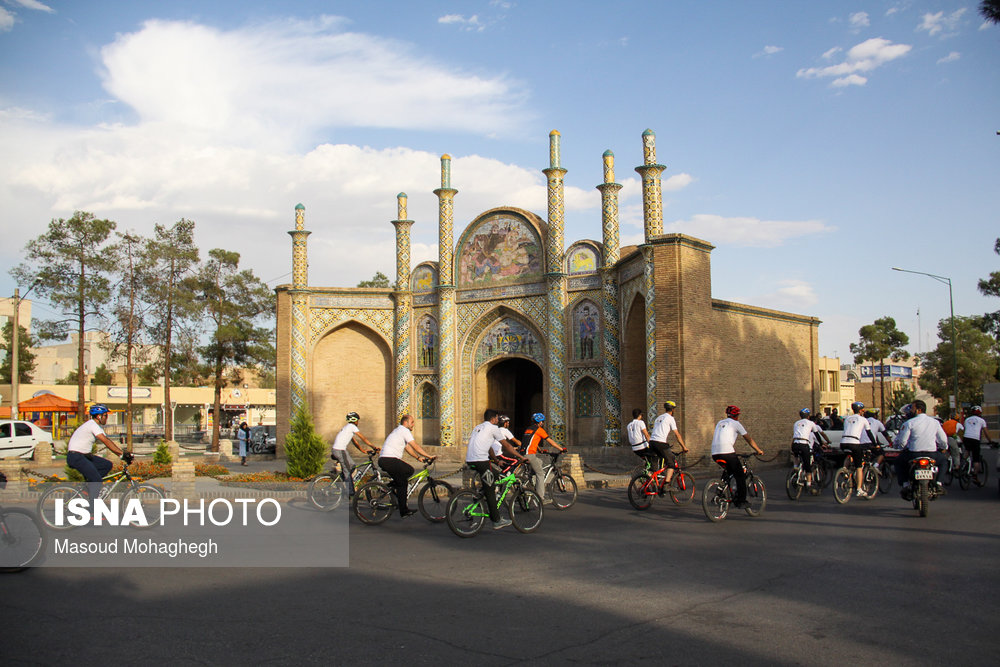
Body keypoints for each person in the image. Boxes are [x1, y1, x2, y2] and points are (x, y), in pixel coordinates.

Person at [466, 409, 526, 530]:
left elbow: (489, 448)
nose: (498, 420)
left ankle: (479, 495)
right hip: (480, 461)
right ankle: (497, 520)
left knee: (497, 474)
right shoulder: (494, 428)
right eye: (497, 418)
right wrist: (521, 457)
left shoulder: (478, 427)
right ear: (493, 419)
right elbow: (507, 445)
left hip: (471, 460)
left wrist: (497, 461)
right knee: (490, 489)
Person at [66, 404, 130, 508]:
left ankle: (88, 490)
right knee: (96, 480)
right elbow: (105, 441)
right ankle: (92, 510)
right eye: (106, 415)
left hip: (83, 456)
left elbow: (107, 440)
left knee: (106, 465)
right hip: (76, 457)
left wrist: (122, 453)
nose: (107, 418)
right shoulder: (93, 425)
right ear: (99, 416)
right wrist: (121, 454)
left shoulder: (94, 426)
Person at [378, 415, 436, 518]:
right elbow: (415, 446)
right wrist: (428, 456)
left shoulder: (398, 431)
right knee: (404, 480)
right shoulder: (404, 431)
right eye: (412, 422)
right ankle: (403, 510)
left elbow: (408, 448)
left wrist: (418, 458)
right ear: (406, 422)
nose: (413, 424)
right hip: (389, 459)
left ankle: (390, 486)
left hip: (385, 460)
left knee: (406, 473)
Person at [710, 405, 764, 508]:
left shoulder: (720, 423)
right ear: (737, 415)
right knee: (740, 476)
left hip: (715, 453)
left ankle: (719, 492)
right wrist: (758, 450)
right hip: (727, 452)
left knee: (728, 471)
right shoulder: (736, 424)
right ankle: (741, 501)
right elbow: (749, 439)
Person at [893, 400, 949, 493]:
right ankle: (939, 483)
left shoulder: (909, 423)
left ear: (918, 410)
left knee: (898, 462)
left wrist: (901, 448)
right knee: (943, 461)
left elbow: (902, 442)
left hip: (913, 454)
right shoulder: (935, 422)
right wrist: (944, 447)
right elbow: (943, 440)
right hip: (932, 454)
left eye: (912, 408)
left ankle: (905, 484)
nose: (911, 410)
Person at [521, 413, 567, 503]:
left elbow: (531, 441)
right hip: (529, 454)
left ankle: (528, 479)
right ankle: (540, 498)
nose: (543, 423)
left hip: (522, 454)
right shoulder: (539, 430)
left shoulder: (528, 429)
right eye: (542, 421)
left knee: (540, 462)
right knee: (540, 474)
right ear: (540, 422)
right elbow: (551, 442)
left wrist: (539, 450)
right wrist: (561, 449)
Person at [331, 412, 378, 497]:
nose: (358, 423)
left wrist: (363, 450)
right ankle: (350, 492)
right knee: (347, 471)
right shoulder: (352, 427)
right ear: (354, 420)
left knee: (352, 466)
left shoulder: (347, 428)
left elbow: (355, 441)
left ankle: (341, 481)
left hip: (340, 450)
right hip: (339, 450)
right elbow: (362, 438)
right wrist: (373, 447)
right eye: (358, 421)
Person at [839, 402, 878, 498]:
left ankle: (845, 471)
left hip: (843, 443)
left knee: (849, 455)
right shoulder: (863, 419)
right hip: (854, 443)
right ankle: (859, 489)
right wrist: (875, 444)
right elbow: (869, 433)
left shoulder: (847, 418)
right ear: (861, 410)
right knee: (859, 467)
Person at [647, 401, 689, 486]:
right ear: (673, 410)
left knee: (653, 468)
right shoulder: (670, 418)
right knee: (671, 463)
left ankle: (647, 484)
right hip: (660, 443)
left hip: (652, 443)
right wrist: (684, 447)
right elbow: (677, 434)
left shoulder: (658, 418)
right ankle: (666, 484)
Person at [791, 408, 829, 492]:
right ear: (808, 416)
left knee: (797, 456)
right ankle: (808, 484)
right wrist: (821, 443)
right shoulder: (811, 423)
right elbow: (817, 434)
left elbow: (794, 435)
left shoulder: (796, 423)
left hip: (795, 444)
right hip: (804, 444)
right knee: (807, 465)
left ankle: (795, 468)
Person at [962, 406, 994, 479]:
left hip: (966, 437)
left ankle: (963, 465)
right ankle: (975, 476)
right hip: (975, 439)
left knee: (967, 450)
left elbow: (965, 429)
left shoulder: (967, 419)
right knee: (976, 458)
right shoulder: (981, 420)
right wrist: (990, 441)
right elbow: (986, 432)